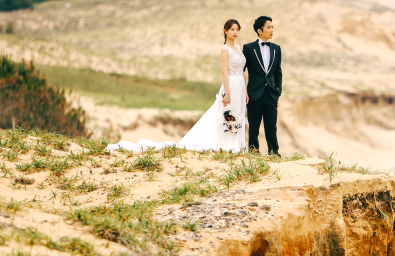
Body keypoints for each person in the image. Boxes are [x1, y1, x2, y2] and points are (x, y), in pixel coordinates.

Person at [106, 19, 247, 153]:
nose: (235, 32)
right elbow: (224, 72)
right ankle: (227, 145)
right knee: (227, 115)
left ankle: (237, 145)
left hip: (240, 85)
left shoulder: (238, 48)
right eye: (232, 29)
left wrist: (245, 91)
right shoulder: (225, 50)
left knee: (238, 115)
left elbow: (242, 71)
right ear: (225, 31)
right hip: (230, 85)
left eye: (237, 29)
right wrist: (227, 92)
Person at [243, 15, 282, 156]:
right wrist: (244, 91)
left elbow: (278, 72)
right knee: (254, 126)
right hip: (254, 94)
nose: (272, 30)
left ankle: (274, 153)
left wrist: (278, 91)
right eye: (269, 27)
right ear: (260, 30)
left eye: (272, 27)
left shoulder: (276, 49)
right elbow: (241, 70)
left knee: (271, 126)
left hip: (271, 94)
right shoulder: (248, 48)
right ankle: (253, 152)